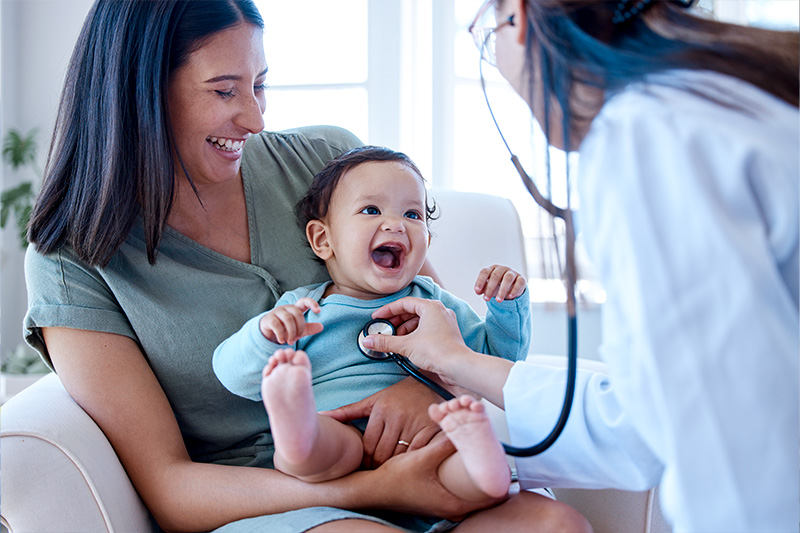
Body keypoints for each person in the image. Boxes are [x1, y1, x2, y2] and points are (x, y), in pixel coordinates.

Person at [21, 1, 592, 532]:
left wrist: (422, 393)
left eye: (260, 85)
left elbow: (429, 322)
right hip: (274, 500)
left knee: (556, 525)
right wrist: (371, 490)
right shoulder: (71, 260)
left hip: (417, 457)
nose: (254, 118)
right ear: (140, 94)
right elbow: (170, 487)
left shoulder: (326, 162)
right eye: (224, 92)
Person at [353, 0, 800, 532]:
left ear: (518, 18)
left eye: (487, 32)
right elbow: (658, 416)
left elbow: (724, 450)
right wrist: (455, 363)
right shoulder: (735, 91)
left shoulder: (649, 136)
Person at [213, 146, 528, 502]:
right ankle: (297, 425)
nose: (396, 223)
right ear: (323, 240)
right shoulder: (304, 309)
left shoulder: (434, 303)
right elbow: (233, 375)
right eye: (371, 210)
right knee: (314, 451)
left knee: (465, 474)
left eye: (413, 213)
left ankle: (482, 459)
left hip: (429, 436)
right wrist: (265, 336)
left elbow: (494, 362)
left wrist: (506, 308)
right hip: (339, 429)